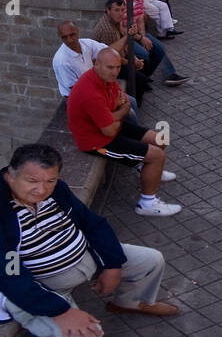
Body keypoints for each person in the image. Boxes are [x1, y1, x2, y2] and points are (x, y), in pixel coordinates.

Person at [0, 143, 179, 337]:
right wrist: (60, 311)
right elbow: (6, 272)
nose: (41, 190)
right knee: (84, 336)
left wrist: (112, 265)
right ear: (11, 175)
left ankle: (131, 301)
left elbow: (92, 223)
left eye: (50, 181)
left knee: (151, 260)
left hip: (82, 255)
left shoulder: (55, 189)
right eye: (32, 181)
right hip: (35, 281)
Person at [67, 43, 179, 215]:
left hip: (108, 126)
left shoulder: (105, 79)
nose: (115, 72)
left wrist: (116, 113)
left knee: (160, 139)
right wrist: (122, 111)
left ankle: (148, 170)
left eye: (118, 67)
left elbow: (120, 101)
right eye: (110, 67)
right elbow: (111, 128)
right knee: (157, 156)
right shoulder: (90, 93)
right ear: (96, 64)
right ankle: (147, 204)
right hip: (97, 141)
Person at [94, 0, 186, 96]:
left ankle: (146, 77)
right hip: (107, 65)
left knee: (159, 49)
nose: (120, 13)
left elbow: (129, 36)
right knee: (143, 62)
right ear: (108, 11)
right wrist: (132, 61)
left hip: (133, 39)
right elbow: (112, 58)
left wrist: (141, 39)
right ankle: (134, 103)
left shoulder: (117, 20)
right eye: (116, 10)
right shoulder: (108, 30)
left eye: (122, 10)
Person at [50, 19, 109, 98]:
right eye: (64, 37)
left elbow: (108, 52)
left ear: (78, 31)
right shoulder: (61, 61)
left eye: (72, 35)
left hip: (94, 89)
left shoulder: (86, 44)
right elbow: (76, 89)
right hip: (78, 97)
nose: (70, 40)